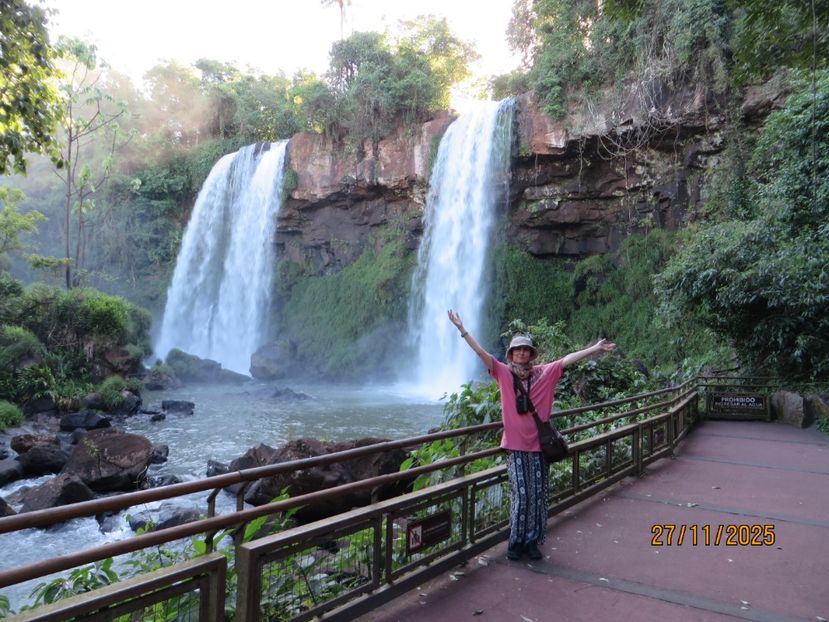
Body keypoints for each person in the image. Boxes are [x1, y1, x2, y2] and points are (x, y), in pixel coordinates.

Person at [447, 309, 617, 561]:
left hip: (540, 447)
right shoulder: (503, 373)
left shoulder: (545, 373)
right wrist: (462, 329)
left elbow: (567, 360)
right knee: (522, 496)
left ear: (531, 354)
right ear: (511, 354)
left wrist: (595, 348)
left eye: (526, 349)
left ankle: (532, 542)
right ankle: (516, 542)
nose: (522, 353)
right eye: (518, 350)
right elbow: (481, 353)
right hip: (515, 447)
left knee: (538, 496)